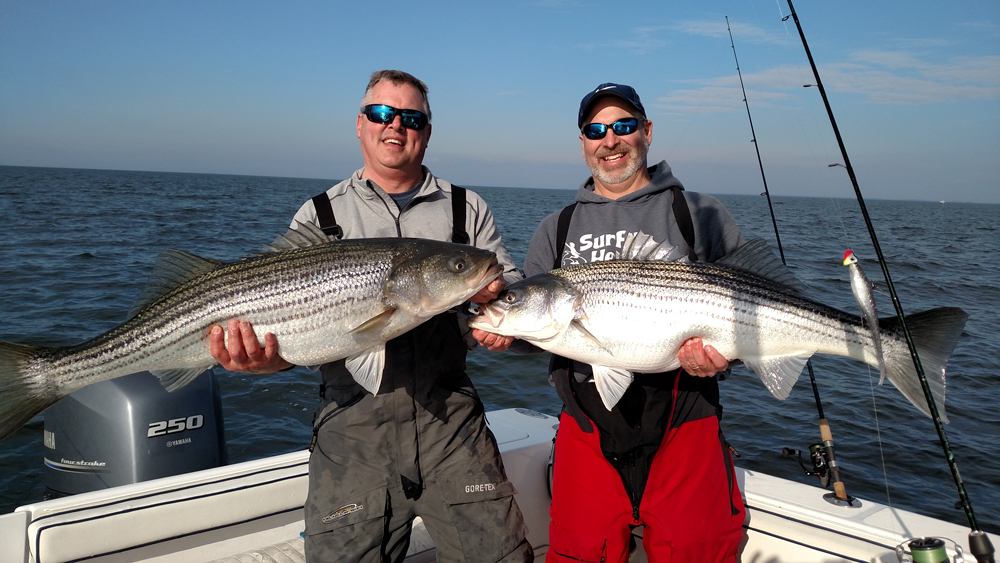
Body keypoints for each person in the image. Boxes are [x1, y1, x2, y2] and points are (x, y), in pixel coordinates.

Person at [209, 70, 532, 563]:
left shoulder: (468, 209)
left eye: (410, 117)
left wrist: (496, 313)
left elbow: (504, 296)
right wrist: (257, 362)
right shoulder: (318, 215)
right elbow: (291, 343)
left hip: (452, 422)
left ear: (426, 129)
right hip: (352, 429)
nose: (394, 126)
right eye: (381, 113)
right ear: (360, 124)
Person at [475, 83, 747, 562]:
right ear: (582, 142)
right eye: (595, 130)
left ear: (645, 132)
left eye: (623, 126)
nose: (610, 140)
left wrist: (721, 361)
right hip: (586, 432)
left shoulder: (696, 213)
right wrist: (505, 332)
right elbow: (540, 328)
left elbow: (752, 314)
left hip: (686, 426)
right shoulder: (555, 227)